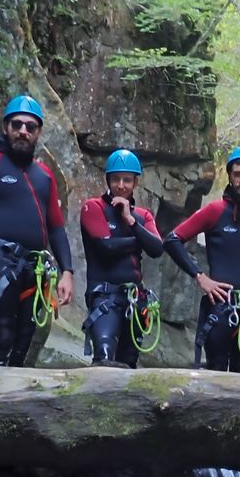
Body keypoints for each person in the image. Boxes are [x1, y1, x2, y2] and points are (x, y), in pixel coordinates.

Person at [0, 95, 75, 367]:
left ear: (39, 132)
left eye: (30, 127)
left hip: (34, 267)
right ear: (6, 127)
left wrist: (67, 272)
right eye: (17, 124)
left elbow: (56, 227)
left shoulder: (44, 174)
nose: (23, 131)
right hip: (0, 261)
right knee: (2, 337)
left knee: (25, 341)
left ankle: (12, 407)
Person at [163, 145, 240, 373]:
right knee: (215, 375)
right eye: (237, 174)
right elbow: (172, 240)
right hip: (219, 308)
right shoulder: (215, 211)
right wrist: (201, 278)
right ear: (229, 176)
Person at [80, 149, 164, 367]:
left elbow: (156, 248)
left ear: (136, 182)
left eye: (127, 180)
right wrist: (139, 241)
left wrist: (130, 220)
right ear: (108, 179)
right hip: (105, 296)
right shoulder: (93, 207)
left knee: (128, 363)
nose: (121, 185)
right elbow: (105, 247)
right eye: (116, 179)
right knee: (104, 359)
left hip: (134, 300)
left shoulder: (142, 216)